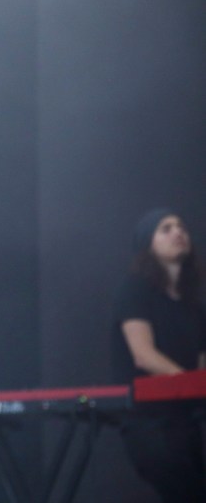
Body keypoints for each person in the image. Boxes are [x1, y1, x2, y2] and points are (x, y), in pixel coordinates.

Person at [112, 208, 206, 502]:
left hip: (188, 422)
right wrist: (187, 383)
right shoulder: (134, 288)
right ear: (147, 244)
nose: (178, 232)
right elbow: (143, 355)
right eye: (165, 229)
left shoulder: (195, 305)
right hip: (150, 423)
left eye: (181, 227)